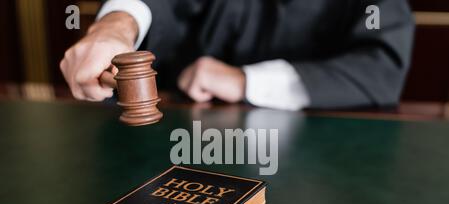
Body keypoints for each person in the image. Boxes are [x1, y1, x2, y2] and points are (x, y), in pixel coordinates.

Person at [60, 0, 414, 110]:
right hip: (180, 143)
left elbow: (380, 67)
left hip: (319, 158)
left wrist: (246, 80)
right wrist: (114, 27)